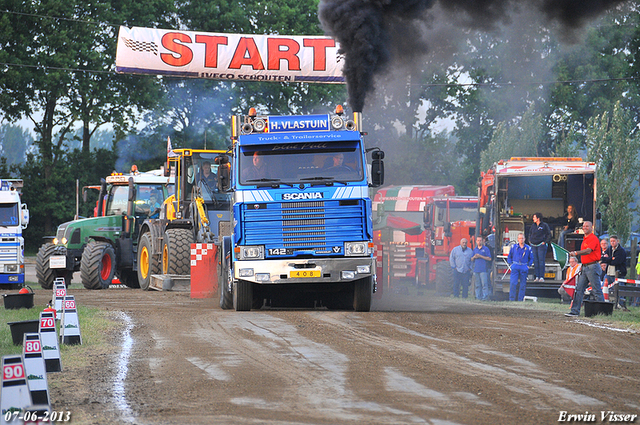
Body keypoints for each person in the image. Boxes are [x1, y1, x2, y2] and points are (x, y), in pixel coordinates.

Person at [565, 221, 603, 317]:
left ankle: (602, 312)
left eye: (587, 226)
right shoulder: (585, 239)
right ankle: (575, 311)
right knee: (579, 289)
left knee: (596, 290)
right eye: (584, 226)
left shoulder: (593, 238)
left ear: (591, 228)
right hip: (585, 266)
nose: (585, 228)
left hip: (592, 266)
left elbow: (588, 251)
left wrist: (576, 253)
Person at [507, 233, 534, 301]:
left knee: (522, 285)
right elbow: (509, 256)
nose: (521, 240)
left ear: (524, 239)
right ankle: (511, 299)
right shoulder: (513, 247)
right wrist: (511, 265)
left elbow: (531, 258)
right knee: (513, 283)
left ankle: (520, 300)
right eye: (520, 238)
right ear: (517, 239)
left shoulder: (528, 248)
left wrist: (528, 266)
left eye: (522, 238)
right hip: (515, 266)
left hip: (523, 266)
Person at [602, 235, 627, 308]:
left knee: (620, 289)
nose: (612, 243)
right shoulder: (609, 249)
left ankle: (621, 304)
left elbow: (617, 261)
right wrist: (611, 259)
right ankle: (603, 302)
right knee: (604, 287)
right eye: (611, 241)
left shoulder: (621, 251)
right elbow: (603, 259)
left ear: (617, 241)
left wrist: (608, 259)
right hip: (609, 273)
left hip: (618, 273)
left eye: (613, 241)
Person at [529, 213, 551, 282]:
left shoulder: (544, 225)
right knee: (535, 261)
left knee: (541, 261)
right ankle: (537, 276)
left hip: (541, 245)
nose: (533, 219)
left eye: (534, 217)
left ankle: (541, 277)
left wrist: (545, 242)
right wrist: (530, 241)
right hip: (533, 245)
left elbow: (549, 234)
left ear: (538, 218)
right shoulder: (533, 226)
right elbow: (529, 234)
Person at [472, 236, 492, 300]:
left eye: (480, 240)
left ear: (483, 241)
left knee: (484, 285)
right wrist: (474, 257)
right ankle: (478, 297)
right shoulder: (475, 249)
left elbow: (489, 258)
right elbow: (471, 259)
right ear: (476, 241)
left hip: (483, 270)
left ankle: (485, 297)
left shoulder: (486, 249)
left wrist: (480, 256)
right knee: (477, 285)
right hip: (476, 270)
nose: (479, 241)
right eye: (478, 240)